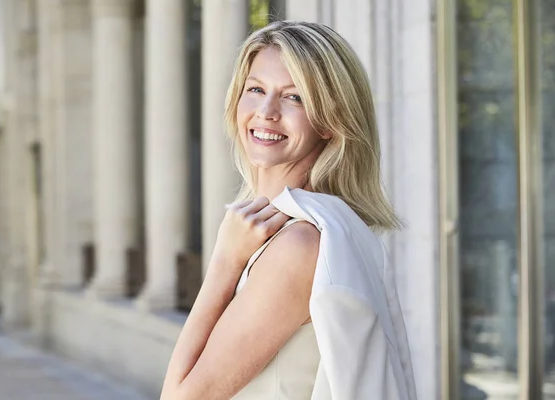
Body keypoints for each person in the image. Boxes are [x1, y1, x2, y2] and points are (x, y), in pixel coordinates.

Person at [161, 20, 417, 399]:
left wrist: (224, 262)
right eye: (256, 89)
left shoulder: (298, 246)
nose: (266, 111)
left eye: (294, 97)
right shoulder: (331, 227)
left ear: (330, 121)